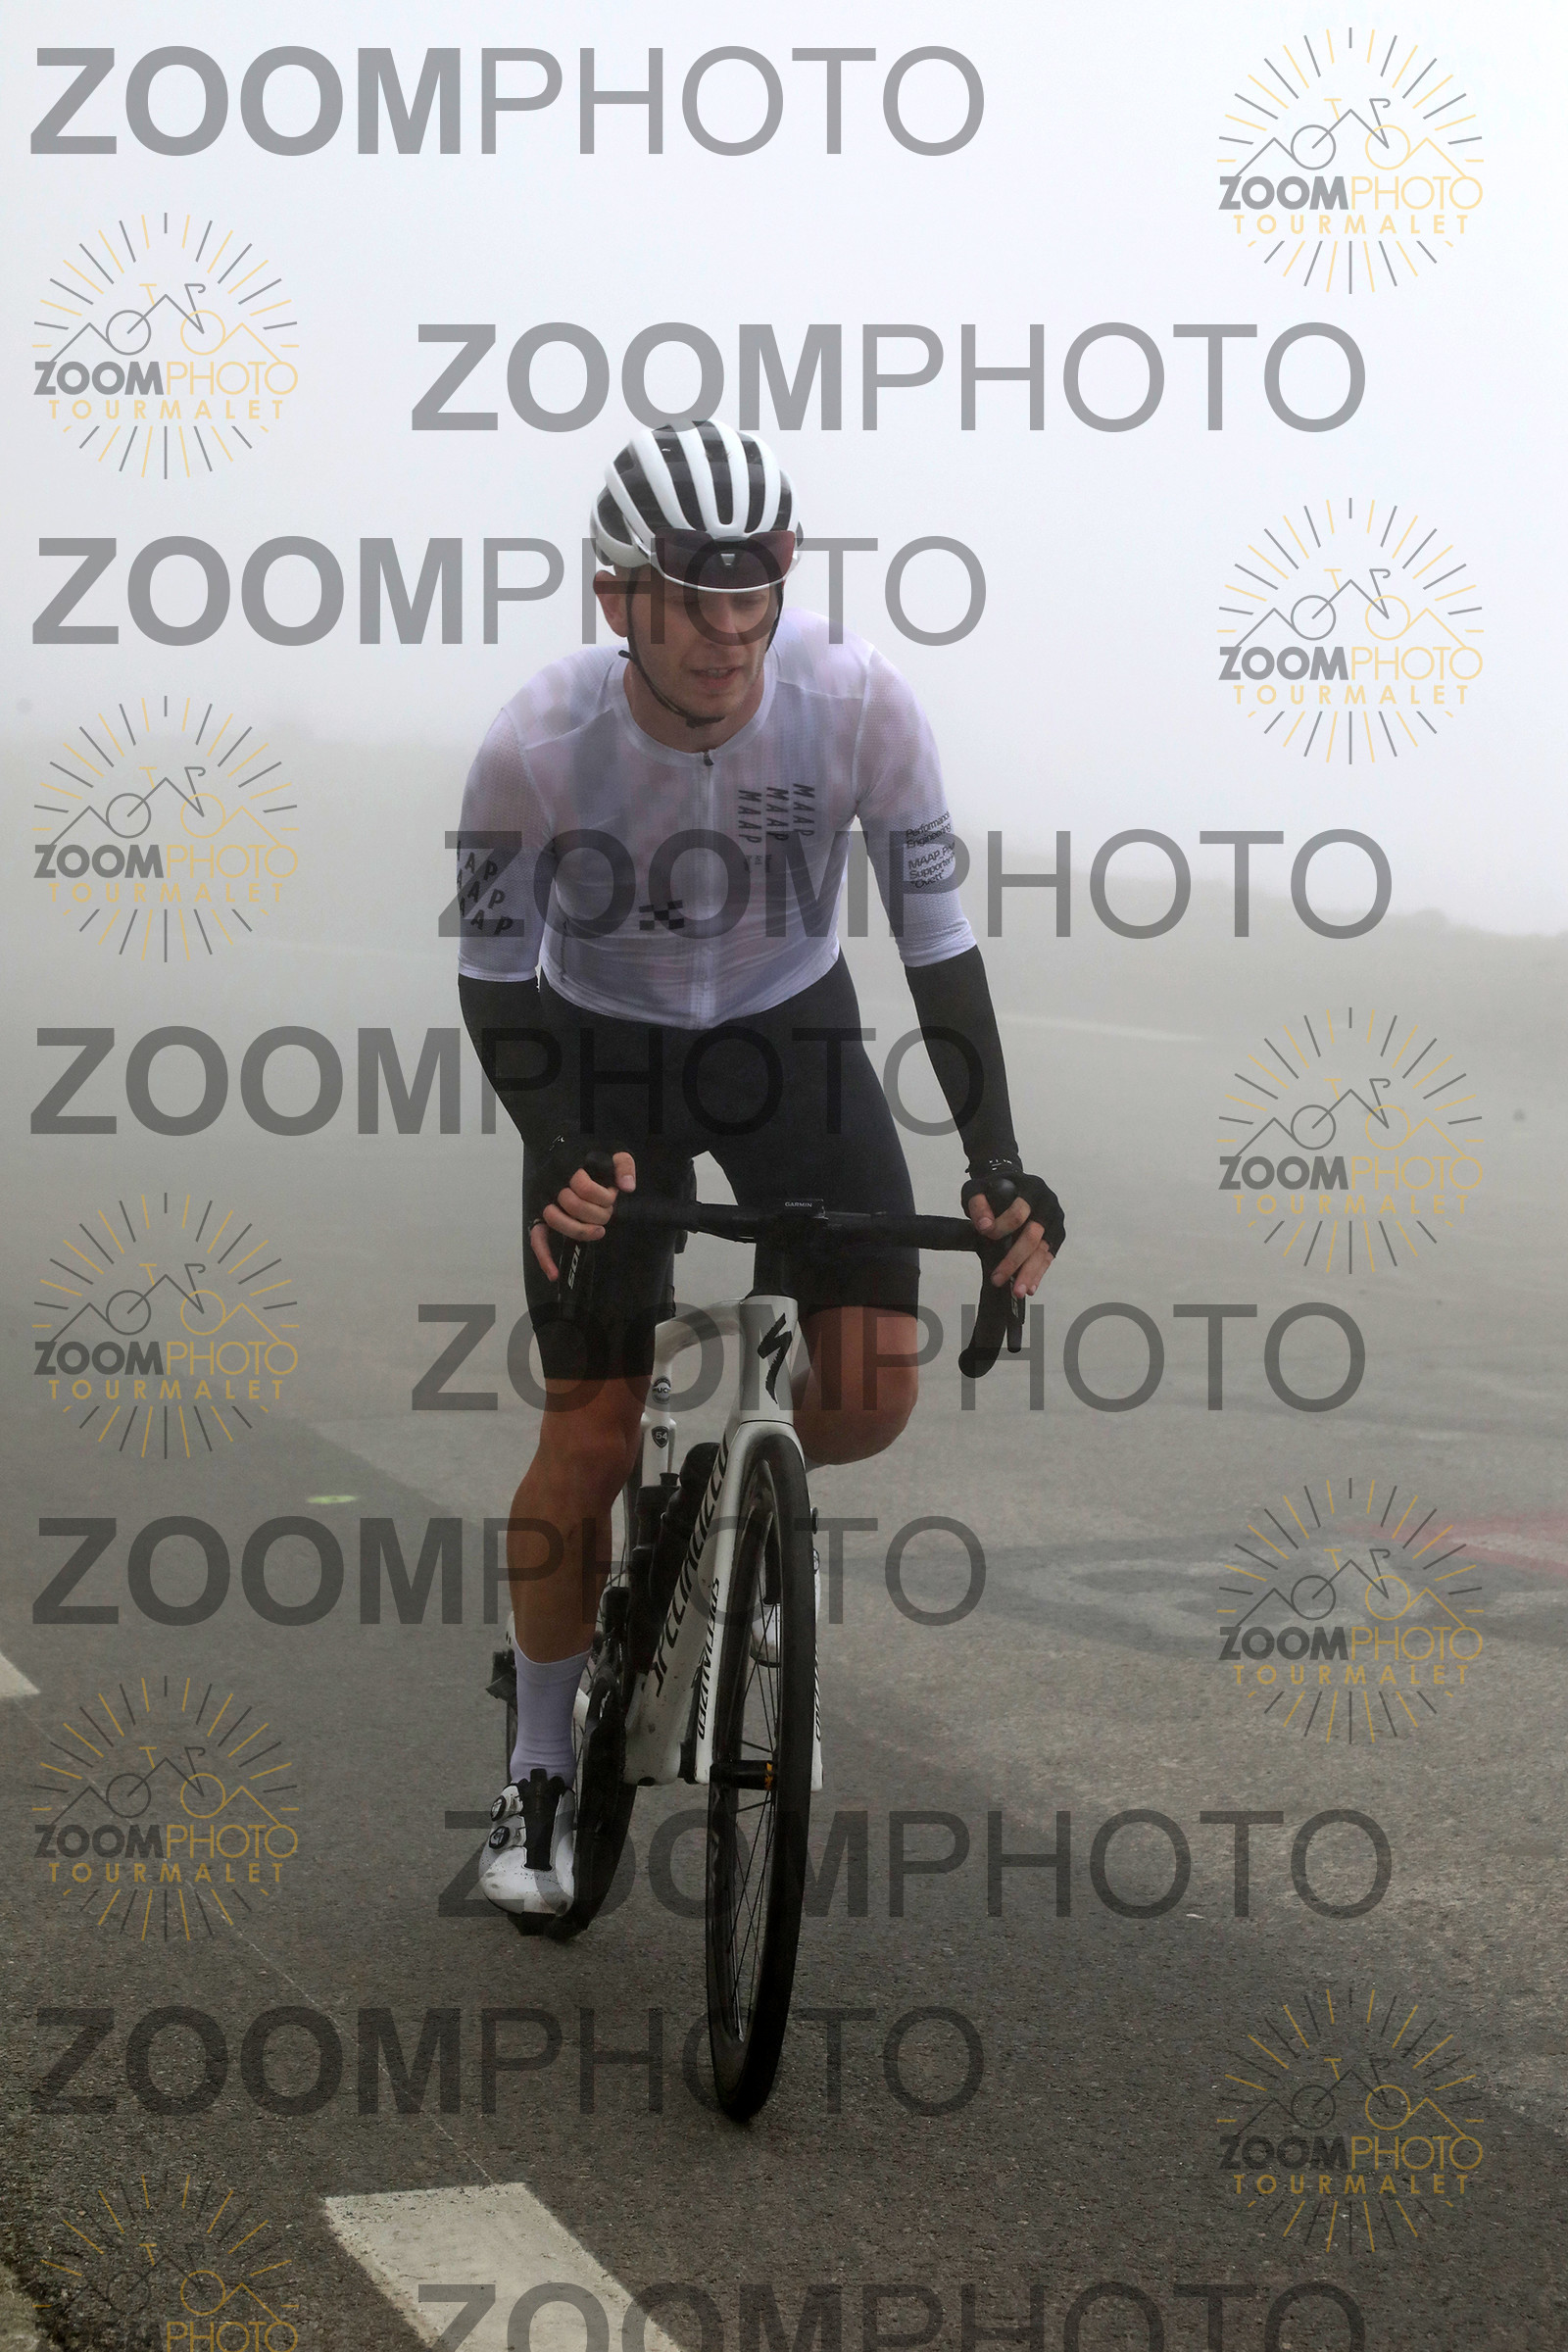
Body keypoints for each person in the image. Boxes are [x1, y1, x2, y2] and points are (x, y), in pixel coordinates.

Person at [456, 417, 1063, 1917]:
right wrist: (557, 1147)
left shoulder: (859, 704)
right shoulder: (535, 742)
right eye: (691, 602)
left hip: (789, 1033)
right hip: (603, 1054)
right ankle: (540, 1764)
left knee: (869, 1394)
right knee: (590, 1433)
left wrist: (995, 1160)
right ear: (618, 596)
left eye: (754, 598)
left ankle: (732, 1499)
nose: (730, 636)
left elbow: (936, 942)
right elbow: (494, 977)